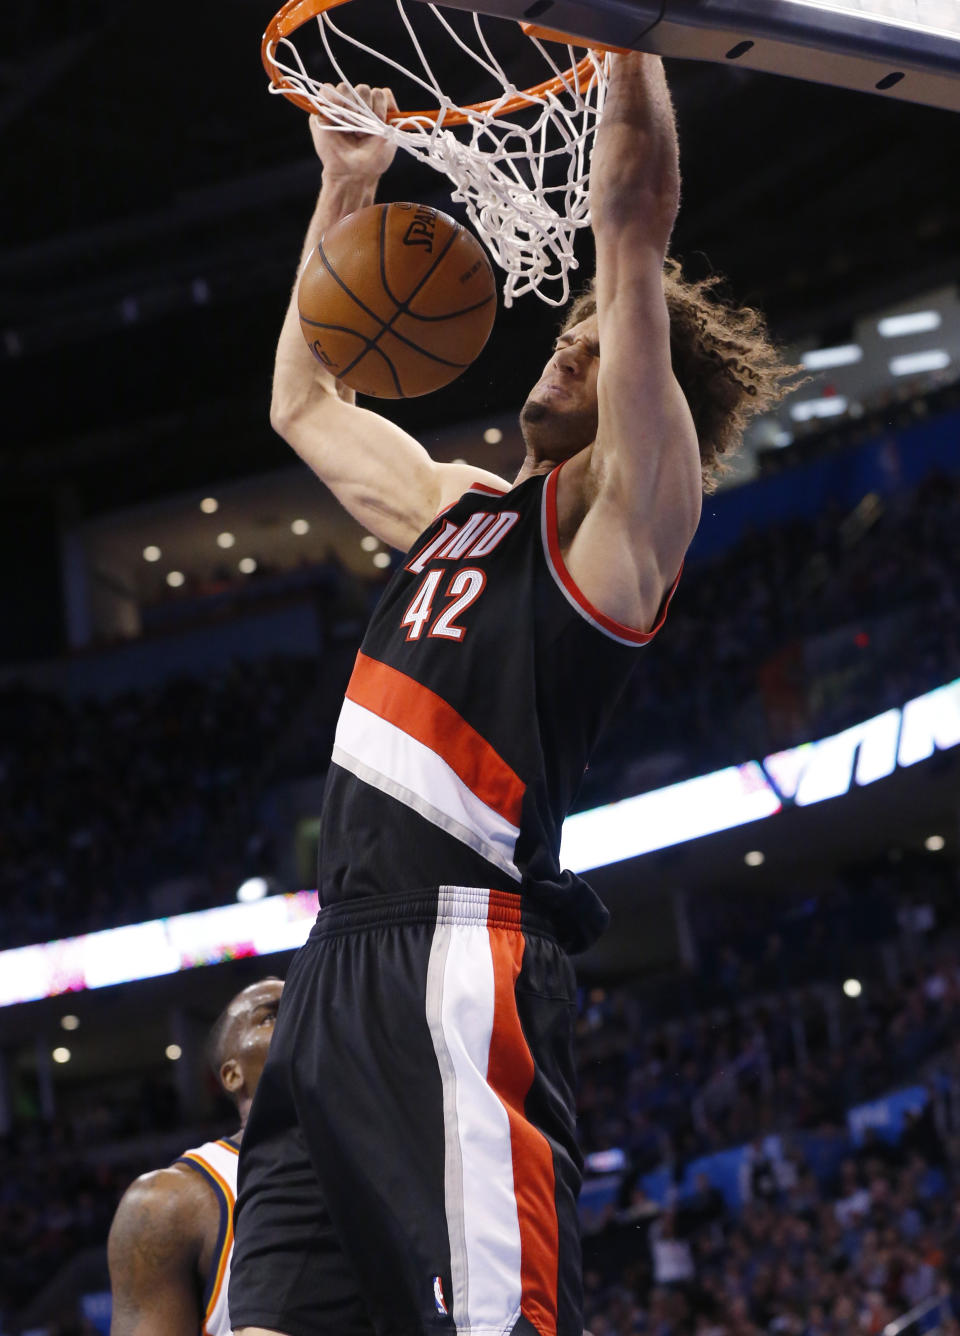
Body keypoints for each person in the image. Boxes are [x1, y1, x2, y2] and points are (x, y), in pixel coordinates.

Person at [230, 55, 794, 1336]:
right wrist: (346, 191)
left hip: (455, 956)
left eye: (591, 353)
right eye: (562, 338)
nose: (560, 355)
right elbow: (303, 398)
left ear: (648, 406)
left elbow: (635, 227)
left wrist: (626, 36)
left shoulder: (625, 523)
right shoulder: (460, 510)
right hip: (333, 964)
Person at [107, 978, 283, 1335]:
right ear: (232, 1075)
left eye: (306, 1003)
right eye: (270, 1016)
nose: (301, 1015)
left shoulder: (390, 1159)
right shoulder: (169, 1201)